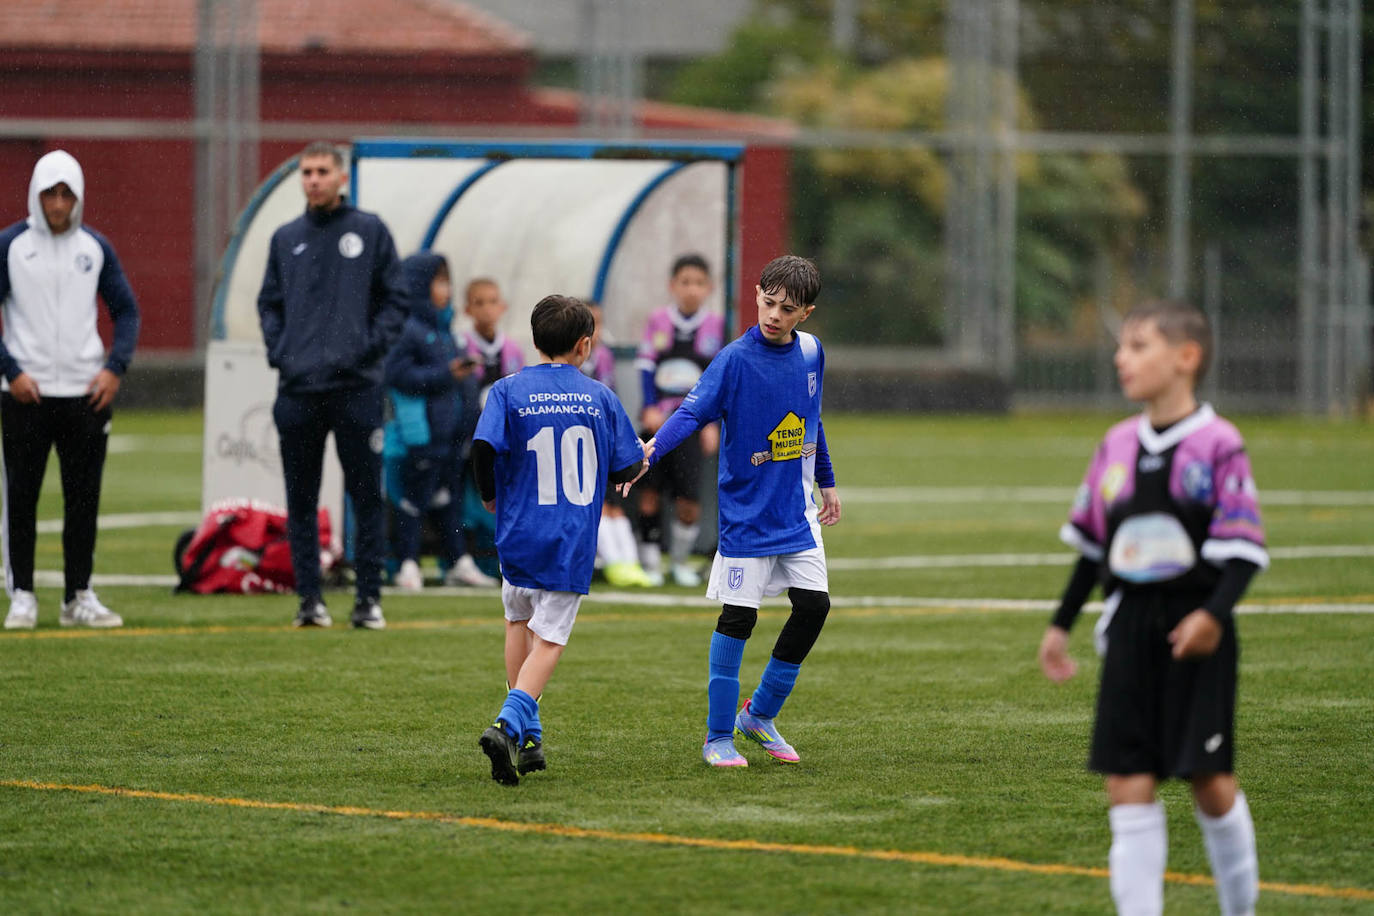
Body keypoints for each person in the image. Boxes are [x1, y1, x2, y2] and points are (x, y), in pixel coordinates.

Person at [1037, 300, 1267, 916]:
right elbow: (1092, 548)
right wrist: (1060, 626)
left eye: (1139, 346)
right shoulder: (1115, 445)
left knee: (1210, 783)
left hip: (1197, 626)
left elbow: (1243, 550)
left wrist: (1213, 617)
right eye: (1121, 346)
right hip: (1130, 627)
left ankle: (1239, 910)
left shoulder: (1218, 444)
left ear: (1185, 358)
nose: (1122, 358)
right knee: (1127, 782)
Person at [637, 255, 840, 768]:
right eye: (768, 302)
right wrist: (651, 450)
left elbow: (810, 422)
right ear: (756, 294)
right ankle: (717, 736)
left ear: (806, 313)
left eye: (787, 309)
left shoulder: (813, 353)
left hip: (797, 511)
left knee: (814, 607)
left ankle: (760, 715)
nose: (773, 314)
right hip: (747, 514)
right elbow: (691, 411)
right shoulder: (733, 360)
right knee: (738, 618)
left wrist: (827, 481)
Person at [472, 295, 646, 785]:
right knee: (549, 640)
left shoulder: (507, 389)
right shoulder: (600, 396)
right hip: (568, 538)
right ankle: (507, 724)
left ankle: (530, 735)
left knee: (516, 621)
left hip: (518, 531)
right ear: (585, 345)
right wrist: (642, 460)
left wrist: (489, 497)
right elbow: (627, 466)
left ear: (533, 340)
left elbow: (482, 448)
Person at [256, 141, 406, 629]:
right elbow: (269, 304)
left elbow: (395, 300)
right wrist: (283, 353)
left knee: (366, 497)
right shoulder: (285, 238)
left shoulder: (370, 231)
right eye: (306, 172)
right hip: (298, 390)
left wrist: (366, 349)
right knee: (301, 499)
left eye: (322, 171)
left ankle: (368, 600)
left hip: (356, 388)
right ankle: (310, 601)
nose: (313, 179)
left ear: (342, 178)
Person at [0, 150, 140, 630]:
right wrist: (11, 370)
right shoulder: (11, 246)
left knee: (84, 499)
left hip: (84, 395)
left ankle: (78, 594)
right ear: (36, 195)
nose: (58, 204)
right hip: (26, 395)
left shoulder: (95, 248)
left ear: (78, 198)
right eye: (50, 194)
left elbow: (126, 310)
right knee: (22, 497)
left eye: (66, 194)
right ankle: (21, 593)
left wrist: (113, 368)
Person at [383, 252, 497, 592]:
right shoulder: (408, 329)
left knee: (448, 499)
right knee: (414, 498)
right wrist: (446, 373)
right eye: (439, 282)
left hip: (450, 434)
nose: (446, 289)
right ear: (419, 286)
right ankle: (406, 563)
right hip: (422, 434)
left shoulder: (443, 329)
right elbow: (397, 375)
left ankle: (458, 561)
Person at [633, 253, 725, 587]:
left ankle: (680, 563)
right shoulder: (658, 320)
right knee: (649, 494)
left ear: (709, 288)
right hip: (660, 420)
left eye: (699, 283)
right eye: (685, 282)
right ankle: (651, 564)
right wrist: (649, 406)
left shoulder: (716, 325)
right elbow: (645, 366)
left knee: (689, 499)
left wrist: (712, 422)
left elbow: (717, 377)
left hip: (693, 423)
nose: (691, 290)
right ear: (673, 286)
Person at [581, 303, 653, 588]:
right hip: (578, 444)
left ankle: (629, 562)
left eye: (597, 324)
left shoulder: (603, 358)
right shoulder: (566, 363)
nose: (593, 332)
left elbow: (610, 402)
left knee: (614, 504)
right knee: (595, 504)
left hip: (602, 441)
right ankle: (613, 562)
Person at [459, 277, 524, 403]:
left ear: (503, 307)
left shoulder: (513, 348)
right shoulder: (461, 345)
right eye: (479, 303)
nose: (487, 309)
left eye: (493, 302)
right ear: (467, 309)